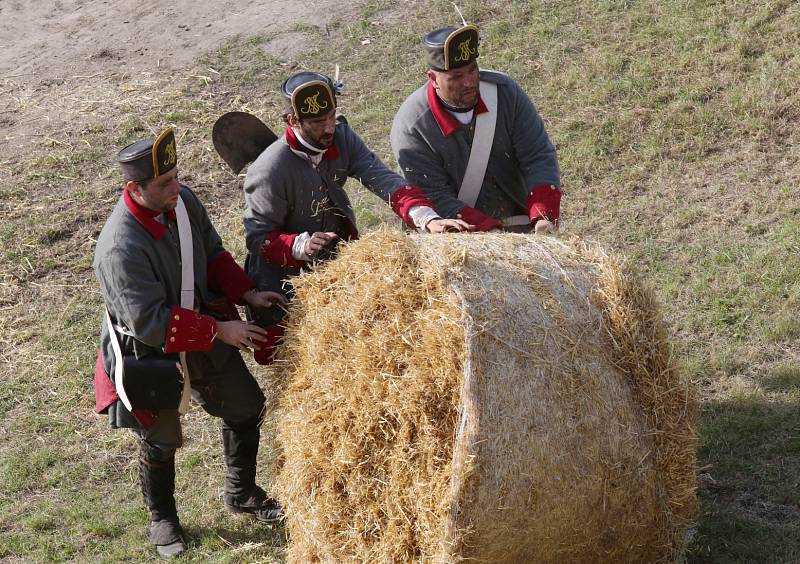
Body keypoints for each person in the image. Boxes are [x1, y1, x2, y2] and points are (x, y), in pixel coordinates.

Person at [92, 128, 288, 558]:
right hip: (151, 351)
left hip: (199, 326)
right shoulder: (119, 249)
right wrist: (220, 331)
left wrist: (247, 293)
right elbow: (149, 323)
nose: (175, 188)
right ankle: (163, 518)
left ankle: (241, 492)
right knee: (161, 440)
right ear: (134, 188)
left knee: (245, 406)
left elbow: (214, 254)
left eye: (176, 177)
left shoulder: (182, 202)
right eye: (164, 183)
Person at [242, 71, 470, 363]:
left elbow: (383, 179)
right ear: (293, 121)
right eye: (317, 122)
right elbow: (258, 239)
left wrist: (426, 218)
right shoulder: (269, 170)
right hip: (284, 278)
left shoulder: (342, 137)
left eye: (332, 117)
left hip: (334, 257)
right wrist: (300, 246)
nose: (328, 128)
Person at [390, 24, 562, 233]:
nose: (469, 82)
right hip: (459, 235)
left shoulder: (504, 93)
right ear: (433, 79)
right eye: (456, 76)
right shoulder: (412, 127)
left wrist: (543, 215)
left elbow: (537, 155)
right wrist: (489, 234)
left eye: (472, 70)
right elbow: (433, 196)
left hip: (523, 224)